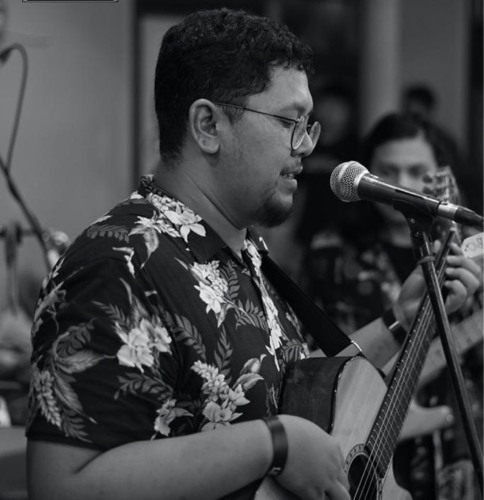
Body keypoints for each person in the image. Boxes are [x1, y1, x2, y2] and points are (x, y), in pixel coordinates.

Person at [25, 10, 481, 500]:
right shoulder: (118, 261)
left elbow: (294, 392)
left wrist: (399, 321)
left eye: (308, 125)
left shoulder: (243, 251)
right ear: (208, 125)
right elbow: (60, 485)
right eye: (289, 122)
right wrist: (272, 443)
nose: (305, 146)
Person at [300, 112, 483, 499]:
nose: (402, 183)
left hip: (457, 451)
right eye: (388, 171)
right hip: (361, 445)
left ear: (439, 175)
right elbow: (312, 355)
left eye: (417, 171)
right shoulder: (331, 252)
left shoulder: (468, 249)